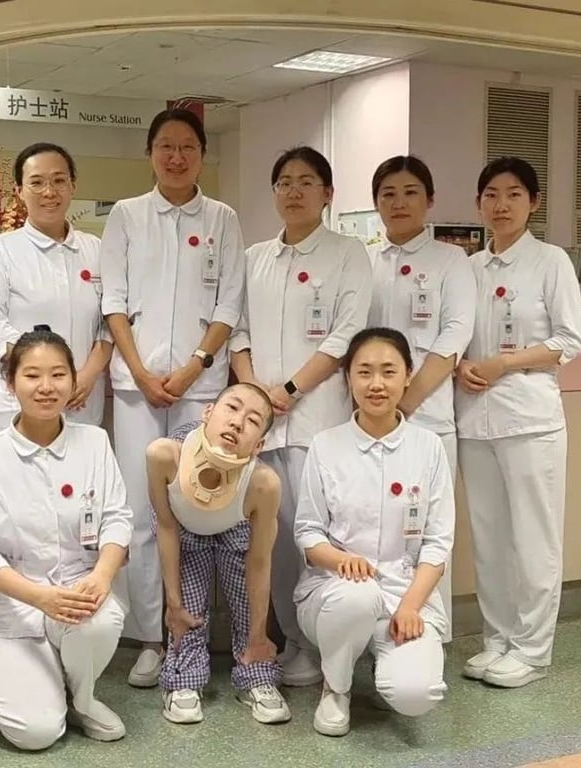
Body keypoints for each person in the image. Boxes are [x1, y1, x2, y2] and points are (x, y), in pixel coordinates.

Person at [101, 108, 246, 687]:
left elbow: (228, 307)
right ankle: (149, 637)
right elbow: (113, 301)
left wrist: (194, 368)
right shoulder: (128, 215)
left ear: (202, 154)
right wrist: (138, 370)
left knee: (197, 508)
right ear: (150, 152)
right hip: (136, 388)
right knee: (141, 512)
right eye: (165, 146)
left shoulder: (223, 219)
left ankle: (192, 630)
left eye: (187, 146)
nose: (176, 156)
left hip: (200, 388)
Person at [230, 146, 371, 687]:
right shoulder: (254, 257)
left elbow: (344, 335)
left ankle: (331, 643)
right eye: (284, 182)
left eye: (306, 182)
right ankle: (294, 644)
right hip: (262, 428)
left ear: (328, 194)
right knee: (274, 539)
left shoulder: (347, 253)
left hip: (318, 421)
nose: (294, 191)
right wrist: (253, 394)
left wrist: (287, 389)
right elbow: (236, 329)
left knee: (322, 535)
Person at [0, 330, 132, 751]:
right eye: (32, 375)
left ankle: (83, 699)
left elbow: (117, 519)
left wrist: (102, 576)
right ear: (9, 382)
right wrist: (40, 598)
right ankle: (41, 678)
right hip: (11, 612)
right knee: (35, 734)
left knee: (103, 617)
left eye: (58, 374)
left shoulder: (94, 441)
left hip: (74, 594)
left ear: (73, 381)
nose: (46, 386)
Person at [455, 156, 581, 688]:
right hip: (475, 421)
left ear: (533, 202)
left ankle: (532, 649)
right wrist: (462, 363)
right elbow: (455, 334)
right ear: (478, 204)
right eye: (490, 194)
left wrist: (505, 362)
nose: (501, 204)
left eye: (513, 194)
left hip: (530, 420)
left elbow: (569, 341)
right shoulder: (467, 268)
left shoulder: (551, 262)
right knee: (489, 536)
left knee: (534, 538)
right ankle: (497, 640)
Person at [294, 328, 454, 736]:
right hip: (338, 592)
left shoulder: (428, 447)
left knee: (416, 695)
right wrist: (340, 560)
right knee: (357, 596)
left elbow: (438, 542)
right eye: (364, 372)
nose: (376, 384)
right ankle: (337, 686)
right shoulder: (326, 446)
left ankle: (386, 661)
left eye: (388, 371)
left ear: (407, 376)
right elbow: (308, 533)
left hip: (404, 596)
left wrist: (411, 606)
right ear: (348, 378)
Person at [366, 155, 475, 642]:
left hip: (428, 419)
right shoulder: (363, 259)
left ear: (429, 201)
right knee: (372, 531)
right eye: (388, 193)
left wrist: (403, 403)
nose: (399, 202)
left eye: (410, 192)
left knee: (428, 532)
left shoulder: (452, 262)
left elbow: (452, 336)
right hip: (367, 423)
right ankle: (370, 634)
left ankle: (429, 635)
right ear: (375, 203)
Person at [148, 383, 290, 725]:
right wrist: (174, 606)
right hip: (182, 522)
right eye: (232, 408)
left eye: (253, 420)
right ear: (208, 412)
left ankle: (256, 670)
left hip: (237, 515)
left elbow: (259, 563)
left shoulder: (264, 483)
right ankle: (184, 677)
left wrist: (258, 635)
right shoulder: (163, 455)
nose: (238, 422)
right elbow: (166, 528)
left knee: (245, 599)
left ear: (259, 445)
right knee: (188, 609)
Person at [0, 142, 111, 434]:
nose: (49, 192)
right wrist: (49, 377)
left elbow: (109, 322)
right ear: (20, 191)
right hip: (16, 402)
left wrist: (86, 375)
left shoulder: (97, 250)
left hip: (80, 400)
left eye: (59, 180)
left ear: (73, 186)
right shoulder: (0, 250)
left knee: (77, 478)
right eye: (36, 183)